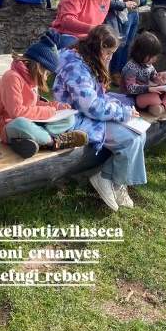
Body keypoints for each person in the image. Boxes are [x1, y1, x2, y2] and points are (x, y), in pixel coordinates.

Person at [53, 25, 147, 211]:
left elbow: (98, 98)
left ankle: (112, 179)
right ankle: (110, 179)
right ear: (98, 47)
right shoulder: (75, 66)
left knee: (140, 134)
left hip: (87, 114)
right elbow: (91, 107)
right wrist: (123, 113)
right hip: (73, 118)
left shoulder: (88, 59)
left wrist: (122, 108)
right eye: (109, 53)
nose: (110, 57)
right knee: (131, 138)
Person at [0, 34, 88, 159]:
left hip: (33, 122)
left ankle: (28, 142)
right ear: (39, 66)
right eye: (47, 73)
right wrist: (49, 111)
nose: (46, 77)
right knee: (21, 124)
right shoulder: (12, 77)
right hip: (9, 124)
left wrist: (56, 106)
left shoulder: (31, 78)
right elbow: (16, 112)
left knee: (69, 119)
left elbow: (35, 103)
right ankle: (54, 142)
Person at [122, 32, 166, 117]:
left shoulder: (149, 65)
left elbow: (153, 77)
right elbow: (130, 88)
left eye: (155, 56)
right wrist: (148, 89)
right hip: (136, 98)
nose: (155, 59)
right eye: (152, 56)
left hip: (152, 92)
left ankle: (161, 106)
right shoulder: (131, 67)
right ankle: (165, 105)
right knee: (152, 97)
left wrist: (159, 79)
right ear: (141, 53)